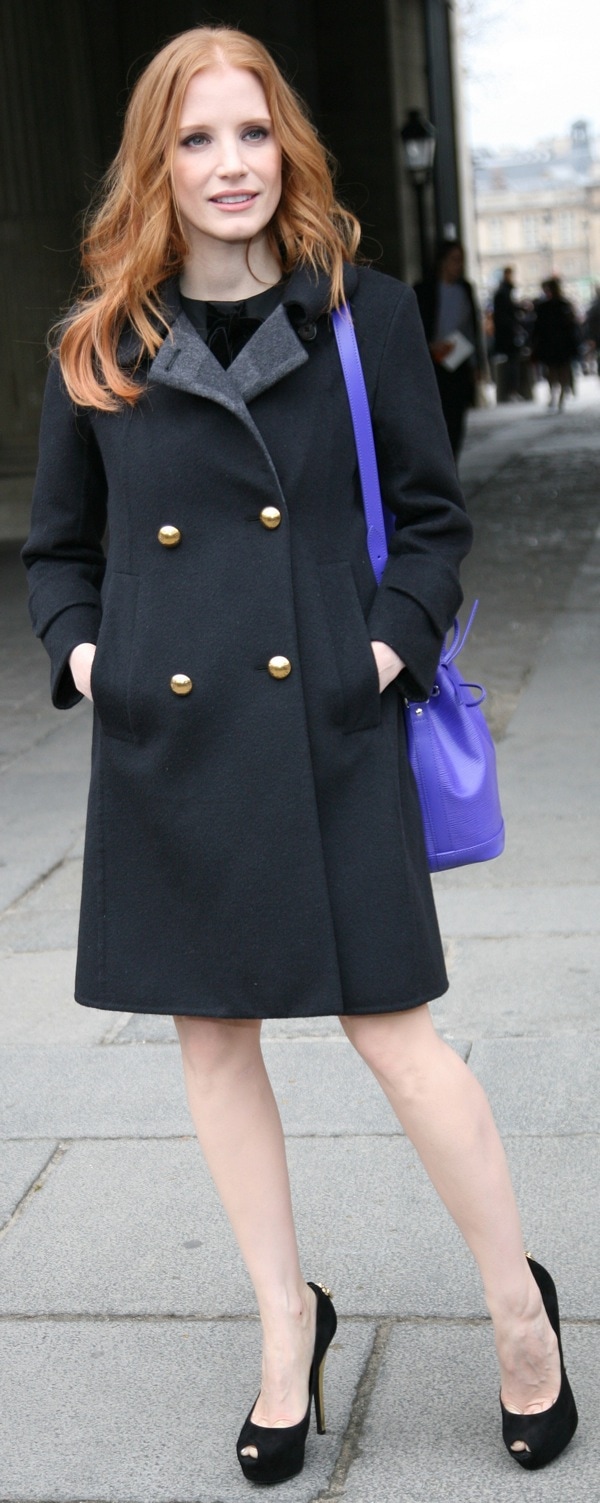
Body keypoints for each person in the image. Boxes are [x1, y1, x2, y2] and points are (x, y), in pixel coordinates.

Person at [22, 26, 577, 1487]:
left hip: (326, 726)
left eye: (252, 135)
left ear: (289, 150)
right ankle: (287, 1322)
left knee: (398, 1037)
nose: (229, 166)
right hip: (173, 741)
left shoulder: (361, 314)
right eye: (196, 139)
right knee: (214, 1040)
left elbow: (436, 516)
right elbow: (60, 545)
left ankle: (519, 1306)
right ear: (157, 160)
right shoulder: (103, 338)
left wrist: (379, 646)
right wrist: (91, 650)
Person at [414, 239, 485, 459]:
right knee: (436, 422)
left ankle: (452, 465)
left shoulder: (465, 289)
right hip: (432, 365)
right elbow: (415, 326)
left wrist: (477, 365)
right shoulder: (424, 290)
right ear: (442, 261)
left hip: (458, 363)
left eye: (461, 260)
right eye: (455, 260)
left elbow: (473, 329)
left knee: (456, 422)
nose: (459, 265)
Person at [532, 276, 580, 410]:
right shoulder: (561, 305)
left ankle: (557, 396)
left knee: (554, 369)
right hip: (558, 342)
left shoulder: (547, 306)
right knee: (558, 369)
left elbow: (538, 327)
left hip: (553, 342)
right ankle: (558, 396)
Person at [493, 266, 523, 400]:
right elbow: (505, 313)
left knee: (511, 361)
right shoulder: (504, 292)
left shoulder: (502, 291)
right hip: (508, 333)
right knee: (512, 362)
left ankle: (511, 391)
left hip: (506, 332)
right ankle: (512, 390)